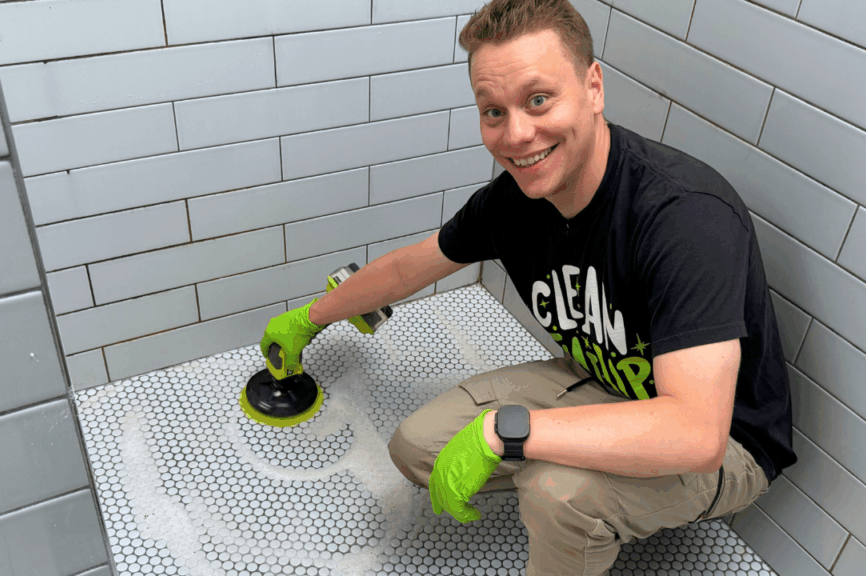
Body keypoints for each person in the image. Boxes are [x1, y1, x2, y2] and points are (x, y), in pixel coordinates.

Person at [259, 0, 797, 573]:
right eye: (494, 111)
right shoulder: (515, 204)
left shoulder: (683, 217)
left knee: (553, 489)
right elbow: (407, 269)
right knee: (417, 448)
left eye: (539, 99)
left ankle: (580, 511)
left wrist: (505, 433)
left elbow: (696, 434)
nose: (517, 135)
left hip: (726, 442)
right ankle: (586, 492)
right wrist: (311, 319)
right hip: (608, 381)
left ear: (593, 87)